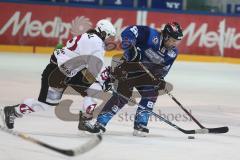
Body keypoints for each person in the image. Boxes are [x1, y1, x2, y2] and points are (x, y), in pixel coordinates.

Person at [0, 19, 116, 130]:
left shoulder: (91, 38)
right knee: (45, 104)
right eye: (110, 36)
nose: (111, 40)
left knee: (92, 89)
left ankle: (85, 121)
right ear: (103, 32)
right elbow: (95, 68)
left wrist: (100, 80)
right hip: (56, 73)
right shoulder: (96, 43)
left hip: (68, 71)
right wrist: (103, 80)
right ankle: (13, 111)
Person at [83, 22, 183, 137]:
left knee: (151, 93)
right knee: (123, 95)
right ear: (166, 36)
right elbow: (129, 31)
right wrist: (131, 47)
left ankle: (140, 124)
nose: (175, 43)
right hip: (127, 68)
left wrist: (160, 79)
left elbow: (163, 69)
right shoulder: (151, 34)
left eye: (177, 41)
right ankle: (100, 123)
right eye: (173, 40)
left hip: (145, 74)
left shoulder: (172, 53)